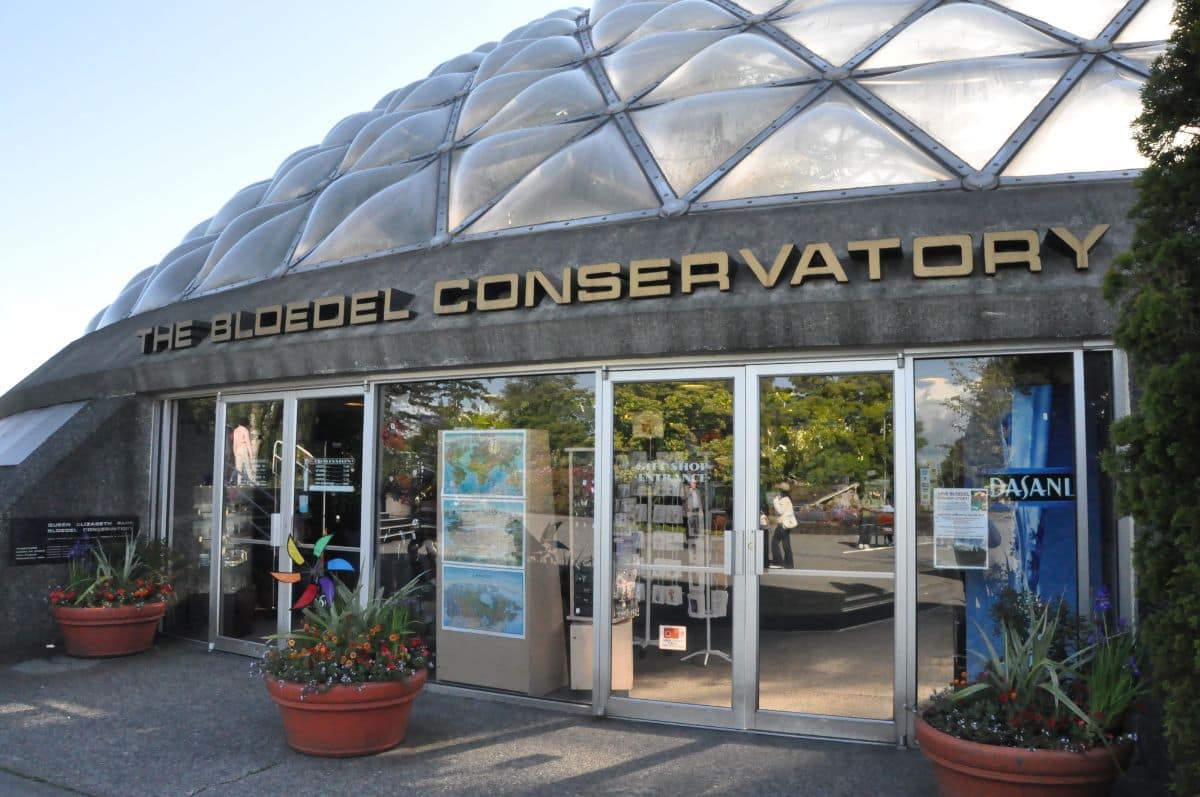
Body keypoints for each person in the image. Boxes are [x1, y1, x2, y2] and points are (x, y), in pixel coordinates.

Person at [770, 482, 796, 569]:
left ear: (781, 491)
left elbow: (780, 511)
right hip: (786, 524)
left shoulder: (784, 500)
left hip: (782, 524)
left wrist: (775, 501)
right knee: (786, 544)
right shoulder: (788, 499)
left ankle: (778, 562)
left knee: (774, 542)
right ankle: (789, 564)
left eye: (778, 490)